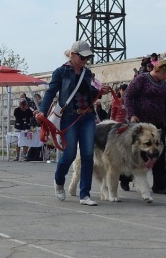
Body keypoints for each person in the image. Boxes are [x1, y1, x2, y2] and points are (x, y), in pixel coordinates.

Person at [36, 40, 110, 206]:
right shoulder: (61, 72)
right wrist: (42, 110)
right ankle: (59, 180)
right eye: (82, 57)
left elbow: (89, 93)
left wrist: (100, 91)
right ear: (73, 55)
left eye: (88, 57)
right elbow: (51, 92)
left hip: (88, 118)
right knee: (69, 154)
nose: (85, 60)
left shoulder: (88, 73)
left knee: (88, 155)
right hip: (69, 116)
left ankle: (85, 194)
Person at [124, 60, 166, 194]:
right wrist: (131, 115)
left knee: (159, 154)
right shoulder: (141, 79)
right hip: (140, 124)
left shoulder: (163, 84)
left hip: (157, 124)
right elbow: (128, 96)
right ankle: (125, 179)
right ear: (161, 69)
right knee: (134, 153)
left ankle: (159, 186)